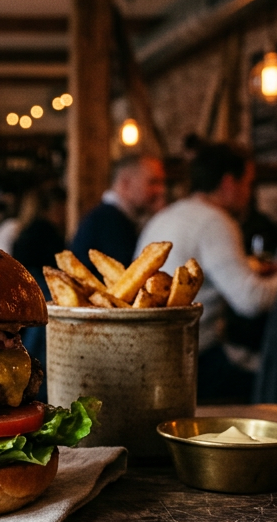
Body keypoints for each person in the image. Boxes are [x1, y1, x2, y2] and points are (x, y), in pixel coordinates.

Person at [136, 140, 277, 401]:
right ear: (229, 183)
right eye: (248, 183)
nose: (248, 193)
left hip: (148, 357)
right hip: (192, 361)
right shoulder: (215, 221)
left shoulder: (166, 216)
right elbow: (251, 300)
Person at [11, 187, 68, 401]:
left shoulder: (24, 229)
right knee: (38, 356)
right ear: (55, 207)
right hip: (42, 297)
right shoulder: (47, 232)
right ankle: (39, 396)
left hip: (21, 297)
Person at [70, 154, 167, 267]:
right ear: (125, 184)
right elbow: (131, 273)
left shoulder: (111, 217)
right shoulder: (109, 222)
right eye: (153, 182)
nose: (161, 190)